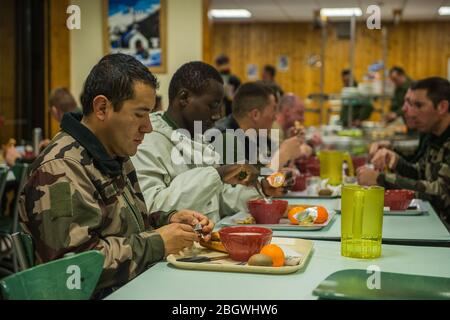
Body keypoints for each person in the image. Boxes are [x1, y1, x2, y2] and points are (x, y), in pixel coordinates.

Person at [18, 54, 214, 294]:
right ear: (102, 108)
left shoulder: (113, 154)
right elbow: (74, 270)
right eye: (140, 114)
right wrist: (158, 243)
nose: (148, 127)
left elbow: (125, 230)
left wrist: (169, 220)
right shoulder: (61, 169)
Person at [131, 61, 288, 223]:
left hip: (208, 238)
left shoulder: (198, 137)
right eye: (212, 106)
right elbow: (152, 209)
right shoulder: (147, 139)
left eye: (220, 107)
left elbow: (218, 200)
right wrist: (218, 174)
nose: (217, 115)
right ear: (184, 98)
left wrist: (260, 189)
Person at [357, 77, 450, 227]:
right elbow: (420, 173)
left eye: (418, 105)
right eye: (409, 104)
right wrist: (395, 160)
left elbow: (441, 194)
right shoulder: (433, 135)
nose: (410, 112)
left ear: (442, 107)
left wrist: (380, 179)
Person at [214, 82, 311, 173]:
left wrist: (290, 148)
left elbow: (265, 170)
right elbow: (245, 187)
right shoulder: (224, 138)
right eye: (273, 109)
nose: (275, 117)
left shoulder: (257, 134)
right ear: (255, 114)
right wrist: (283, 154)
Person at [3, 87, 80, 166]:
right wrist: (53, 145)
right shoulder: (81, 121)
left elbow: (42, 173)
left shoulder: (69, 130)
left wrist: (17, 161)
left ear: (54, 110)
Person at [369, 88, 430, 163]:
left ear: (442, 107)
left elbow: (419, 173)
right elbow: (414, 162)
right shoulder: (427, 135)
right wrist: (391, 148)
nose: (403, 109)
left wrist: (380, 175)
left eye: (418, 105)